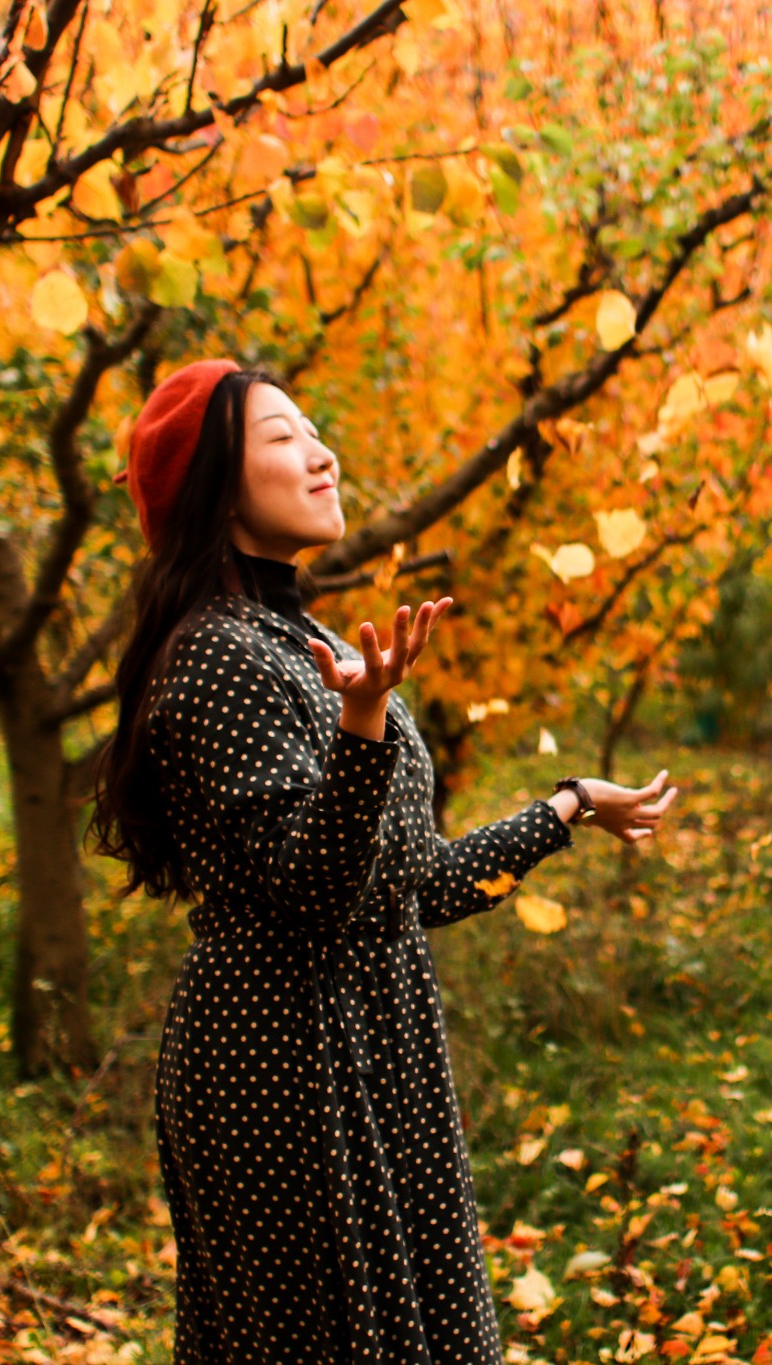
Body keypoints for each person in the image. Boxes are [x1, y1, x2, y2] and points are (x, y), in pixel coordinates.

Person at [87, 357, 679, 1362]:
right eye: (282, 438)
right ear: (211, 486)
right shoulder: (219, 658)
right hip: (283, 1062)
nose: (321, 455)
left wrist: (565, 807)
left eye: (315, 432)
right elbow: (315, 894)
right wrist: (362, 725)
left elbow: (406, 889)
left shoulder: (293, 636)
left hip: (371, 1039)